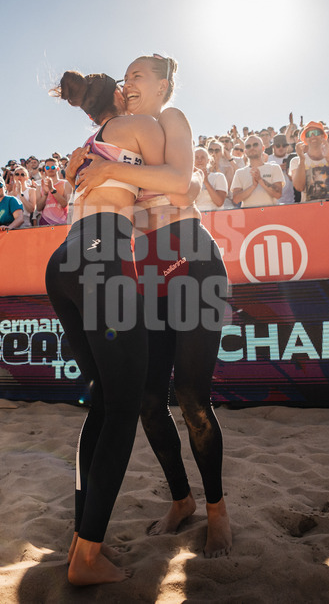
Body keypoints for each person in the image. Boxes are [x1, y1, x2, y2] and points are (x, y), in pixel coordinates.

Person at [74, 54, 232, 559]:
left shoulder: (171, 119)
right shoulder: (124, 136)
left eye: (139, 74)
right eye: (126, 78)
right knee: (145, 400)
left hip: (190, 260)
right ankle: (182, 500)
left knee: (191, 398)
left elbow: (183, 183)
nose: (130, 82)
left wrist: (109, 169)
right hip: (146, 273)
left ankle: (217, 510)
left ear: (165, 83)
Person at [48, 69, 163, 585]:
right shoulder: (134, 125)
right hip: (101, 256)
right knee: (123, 406)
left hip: (64, 260)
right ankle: (87, 557)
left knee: (102, 400)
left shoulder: (84, 148)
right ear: (117, 96)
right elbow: (178, 180)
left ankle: (80, 536)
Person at [291, 121, 329, 201]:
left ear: (322, 136)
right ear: (305, 139)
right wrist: (302, 160)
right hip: (309, 209)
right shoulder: (296, 161)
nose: (313, 136)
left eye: (316, 132)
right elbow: (299, 187)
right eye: (309, 134)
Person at [230, 134, 284, 207]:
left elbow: (278, 194)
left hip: (270, 215)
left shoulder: (274, 167)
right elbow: (236, 199)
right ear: (245, 152)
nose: (252, 148)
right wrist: (253, 186)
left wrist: (260, 180)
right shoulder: (239, 172)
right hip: (248, 216)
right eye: (248, 146)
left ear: (263, 148)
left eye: (255, 145)